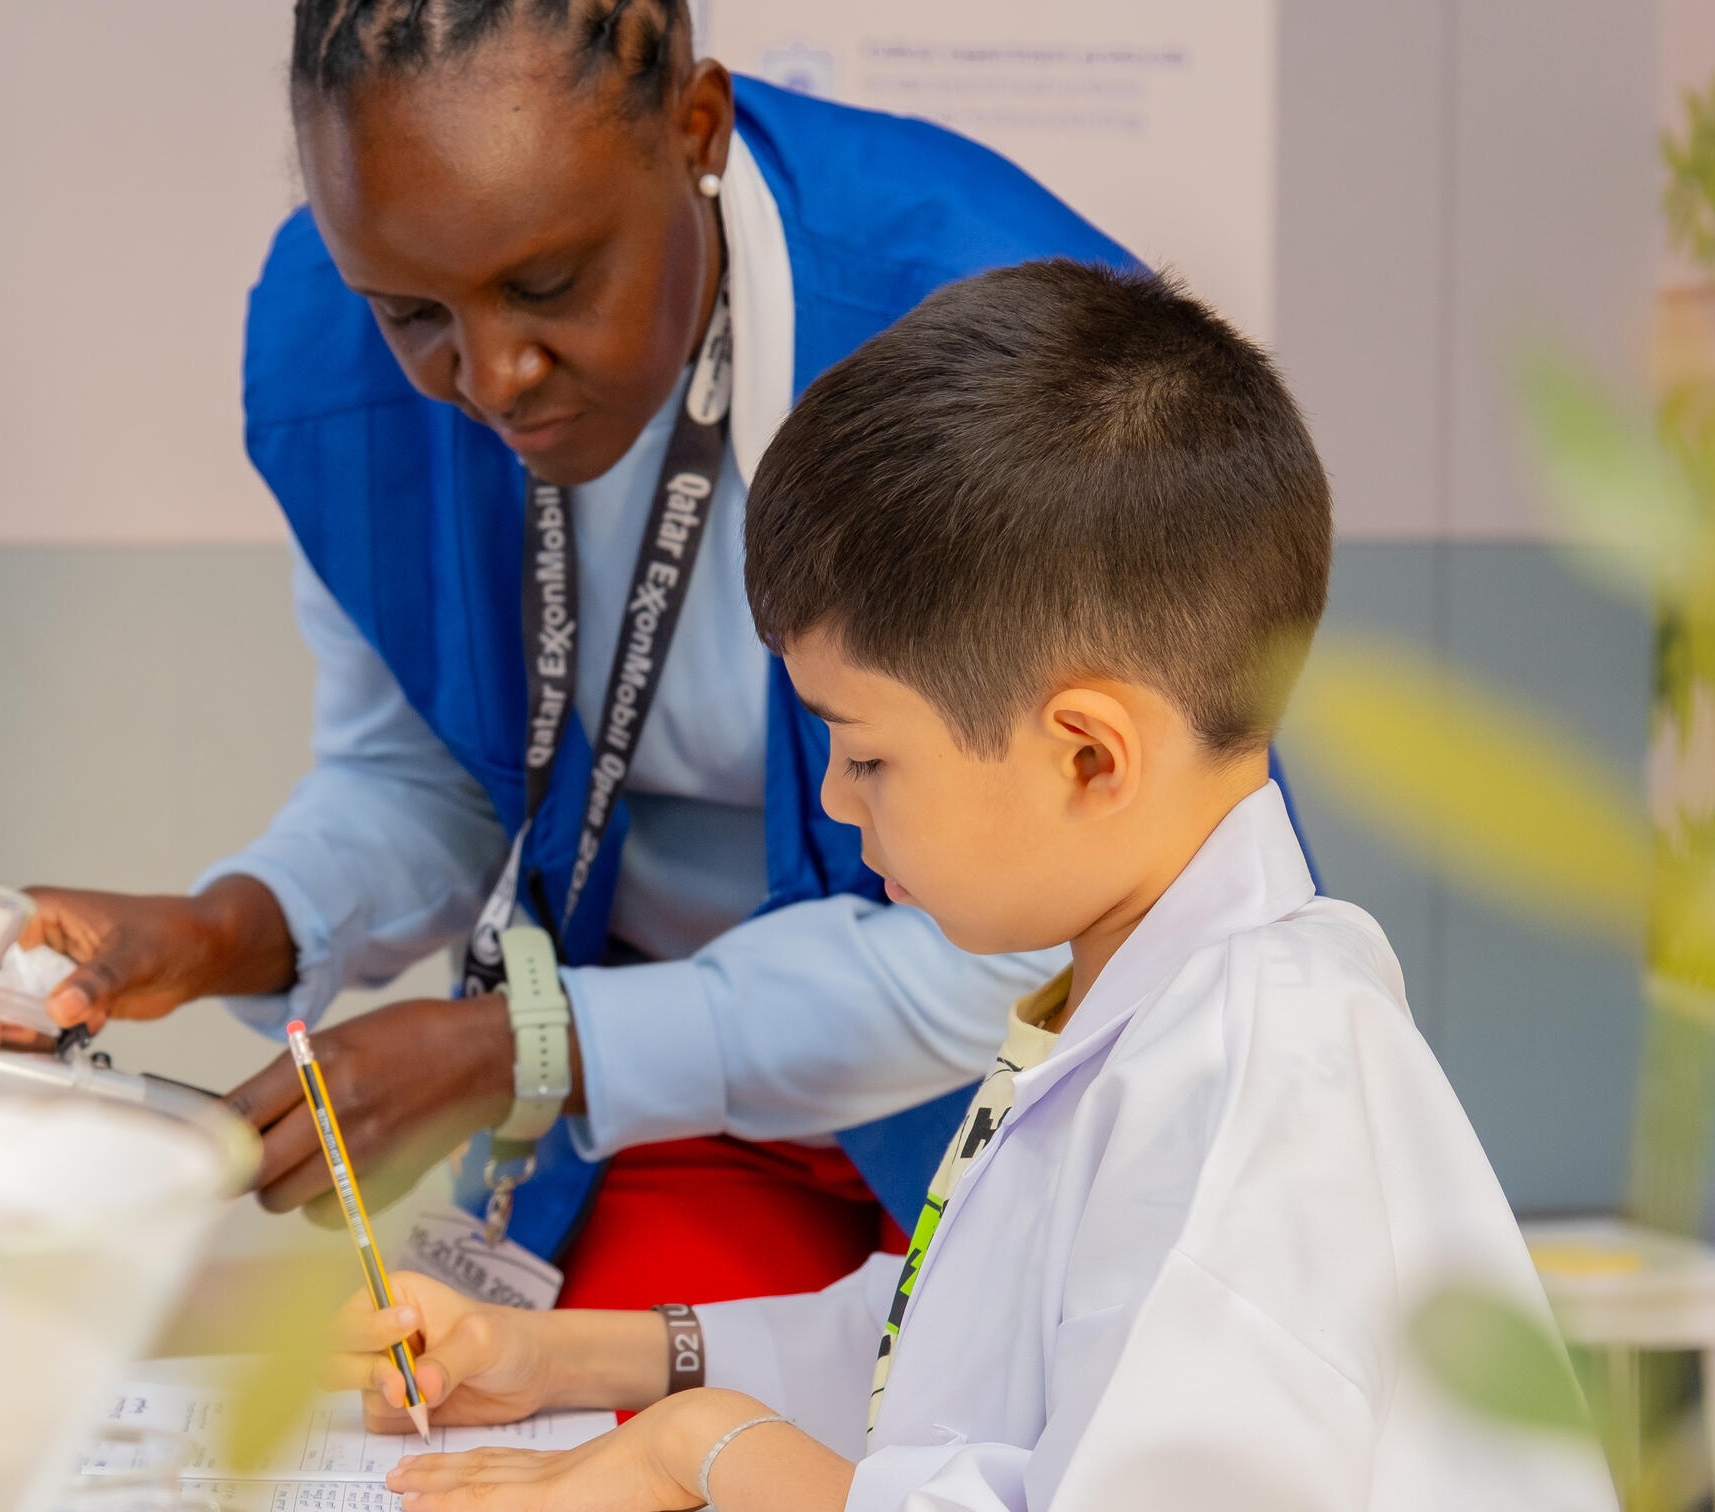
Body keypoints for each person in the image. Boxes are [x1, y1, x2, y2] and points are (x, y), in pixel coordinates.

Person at [3, 0, 1310, 1308]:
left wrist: (528, 1045)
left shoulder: (987, 350)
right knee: (588, 1445)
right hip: (663, 1094)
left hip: (1020, 1083)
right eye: (412, 314)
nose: (493, 373)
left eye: (551, 283)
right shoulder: (340, 343)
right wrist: (227, 929)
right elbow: (434, 773)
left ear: (696, 129)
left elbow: (1054, 932)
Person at [321, 261, 1609, 1511]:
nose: (831, 797)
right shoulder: (1153, 1001)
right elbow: (951, 1347)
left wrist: (699, 1449)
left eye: (868, 749)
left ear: (1089, 756)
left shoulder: (1267, 1080)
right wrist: (558, 1359)